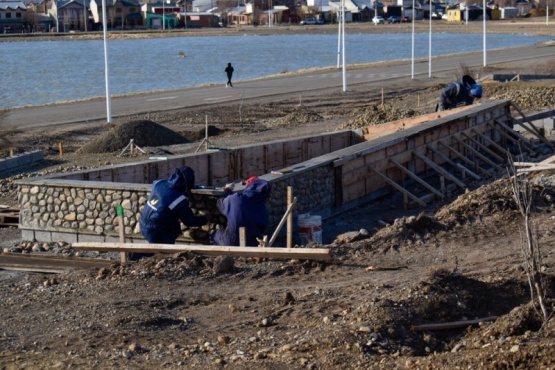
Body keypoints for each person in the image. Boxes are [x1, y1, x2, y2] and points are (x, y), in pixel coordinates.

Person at [137, 166, 210, 259]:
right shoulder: (179, 199)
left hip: (143, 223)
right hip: (157, 230)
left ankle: (141, 255)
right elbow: (189, 221)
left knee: (173, 230)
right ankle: (137, 256)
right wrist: (205, 219)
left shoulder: (159, 183)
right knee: (164, 253)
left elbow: (157, 183)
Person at [212, 176, 271, 247]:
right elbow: (263, 228)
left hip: (231, 242)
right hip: (253, 244)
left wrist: (228, 190)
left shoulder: (235, 199)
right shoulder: (263, 209)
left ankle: (220, 254)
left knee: (214, 234)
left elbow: (220, 203)